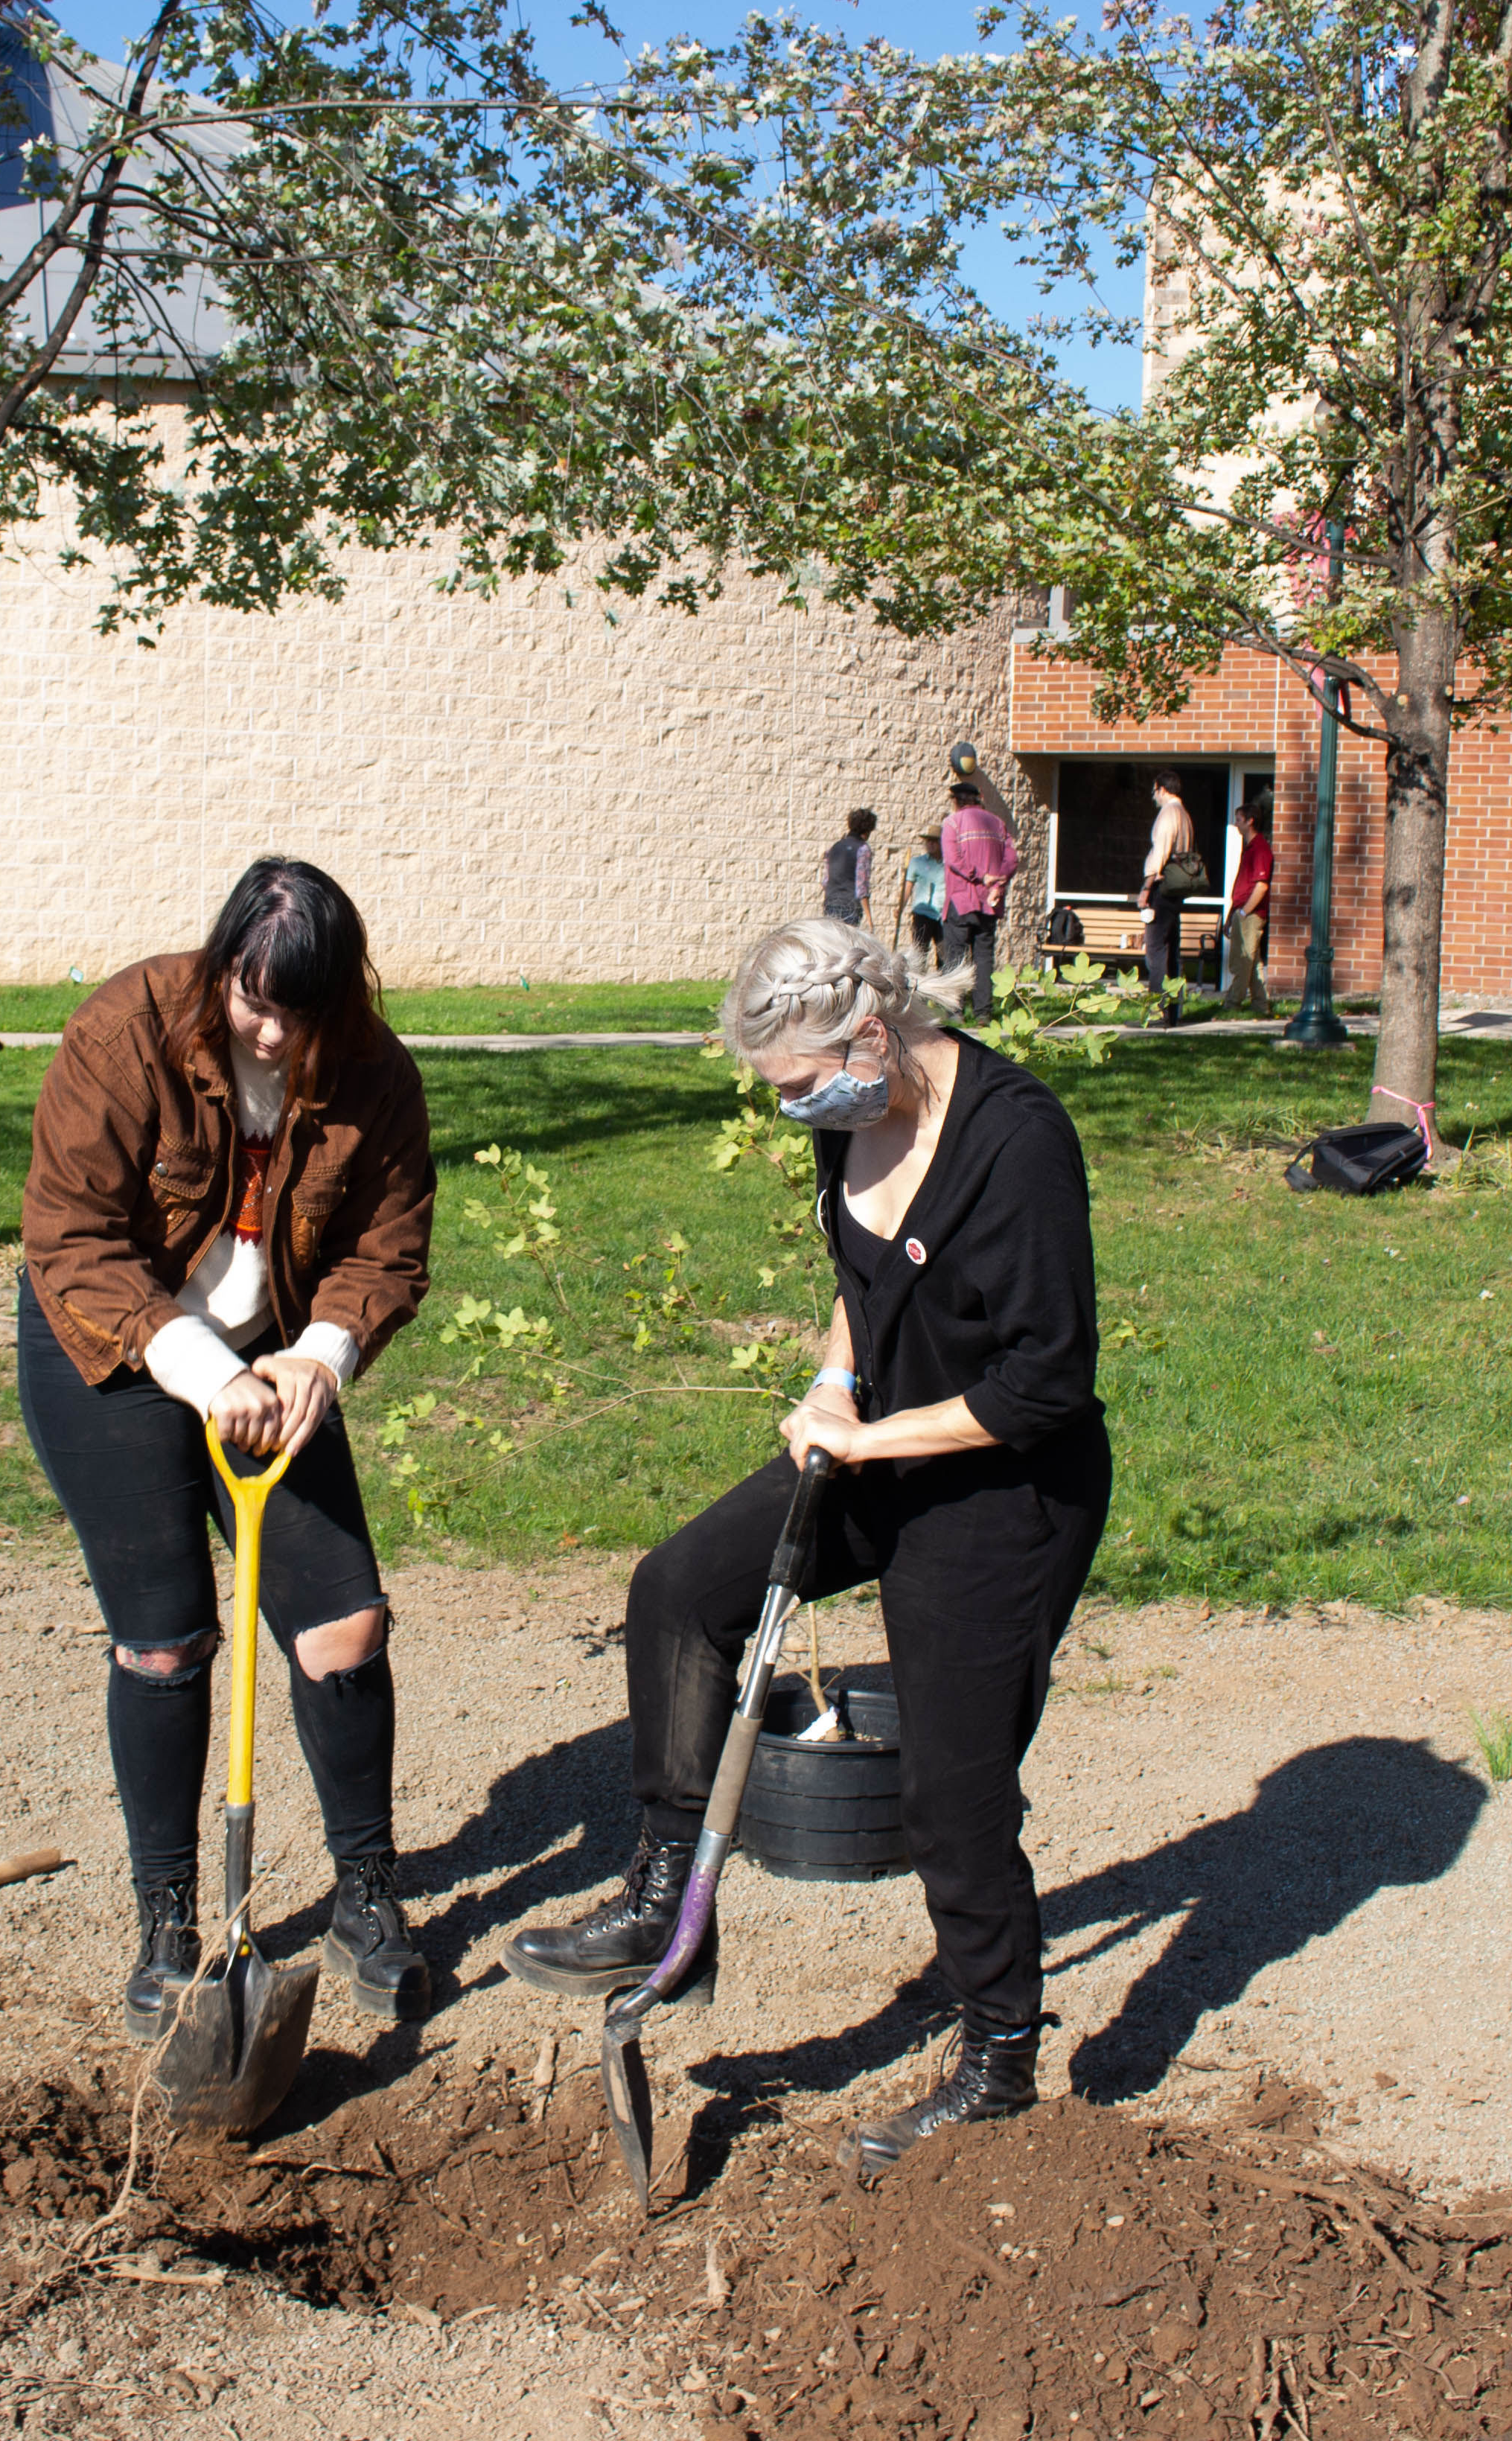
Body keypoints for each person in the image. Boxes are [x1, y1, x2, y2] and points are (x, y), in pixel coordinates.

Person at [507, 916, 1108, 2177]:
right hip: (884, 1442)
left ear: (869, 1033)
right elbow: (866, 1276)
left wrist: (867, 1438)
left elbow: (1041, 1389)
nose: (792, 1111)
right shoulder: (851, 1115)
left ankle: (998, 2063)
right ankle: (668, 1894)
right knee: (677, 1592)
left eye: (798, 1083)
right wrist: (835, 1379)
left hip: (1008, 1491)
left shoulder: (1015, 1142)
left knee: (951, 1798)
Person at [17, 858, 441, 2035]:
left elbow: (387, 1243)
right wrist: (202, 1371)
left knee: (344, 1625)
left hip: (277, 1358)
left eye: (296, 1015)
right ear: (223, 971)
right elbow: (74, 1236)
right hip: (111, 1348)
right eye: (253, 1003)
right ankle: (168, 1918)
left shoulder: (373, 1073)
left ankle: (365, 1895)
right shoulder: (125, 1033)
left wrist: (321, 1356)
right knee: (167, 1644)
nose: (269, 1031)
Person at [937, 779, 1020, 1021]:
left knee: (956, 956)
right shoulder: (998, 824)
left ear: (956, 801)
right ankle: (984, 1012)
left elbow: (954, 859)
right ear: (977, 798)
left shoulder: (952, 823)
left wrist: (981, 877)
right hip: (990, 903)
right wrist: (997, 882)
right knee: (984, 958)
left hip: (961, 900)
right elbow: (1012, 859)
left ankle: (955, 1010)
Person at [1139, 771, 1200, 1018]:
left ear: (1162, 789)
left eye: (1154, 791)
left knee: (1155, 950)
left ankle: (1157, 1012)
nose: (1154, 797)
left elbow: (1160, 852)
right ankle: (1173, 1011)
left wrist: (1146, 888)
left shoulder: (1168, 814)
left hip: (1162, 887)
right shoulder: (1185, 815)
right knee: (1172, 949)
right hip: (1177, 889)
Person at [1220, 799, 1275, 1012]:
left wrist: (1244, 912)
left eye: (1239, 820)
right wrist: (1231, 917)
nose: (1236, 824)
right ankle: (1261, 1005)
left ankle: (1232, 1002)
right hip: (1242, 912)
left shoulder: (1260, 849)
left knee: (1242, 961)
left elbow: (1261, 887)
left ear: (1250, 821)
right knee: (1253, 962)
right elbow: (1243, 888)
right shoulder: (1249, 849)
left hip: (1250, 914)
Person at [821, 808, 878, 926]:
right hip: (850, 906)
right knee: (848, 943)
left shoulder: (835, 847)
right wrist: (870, 919)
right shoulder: (863, 849)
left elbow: (826, 881)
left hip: (830, 903)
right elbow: (862, 886)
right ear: (868, 830)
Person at [902, 829, 948, 974]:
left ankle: (942, 989)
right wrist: (901, 907)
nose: (931, 844)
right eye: (928, 841)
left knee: (944, 955)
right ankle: (917, 987)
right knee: (919, 953)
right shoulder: (917, 863)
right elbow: (908, 887)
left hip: (943, 915)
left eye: (934, 841)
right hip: (922, 914)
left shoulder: (949, 864)